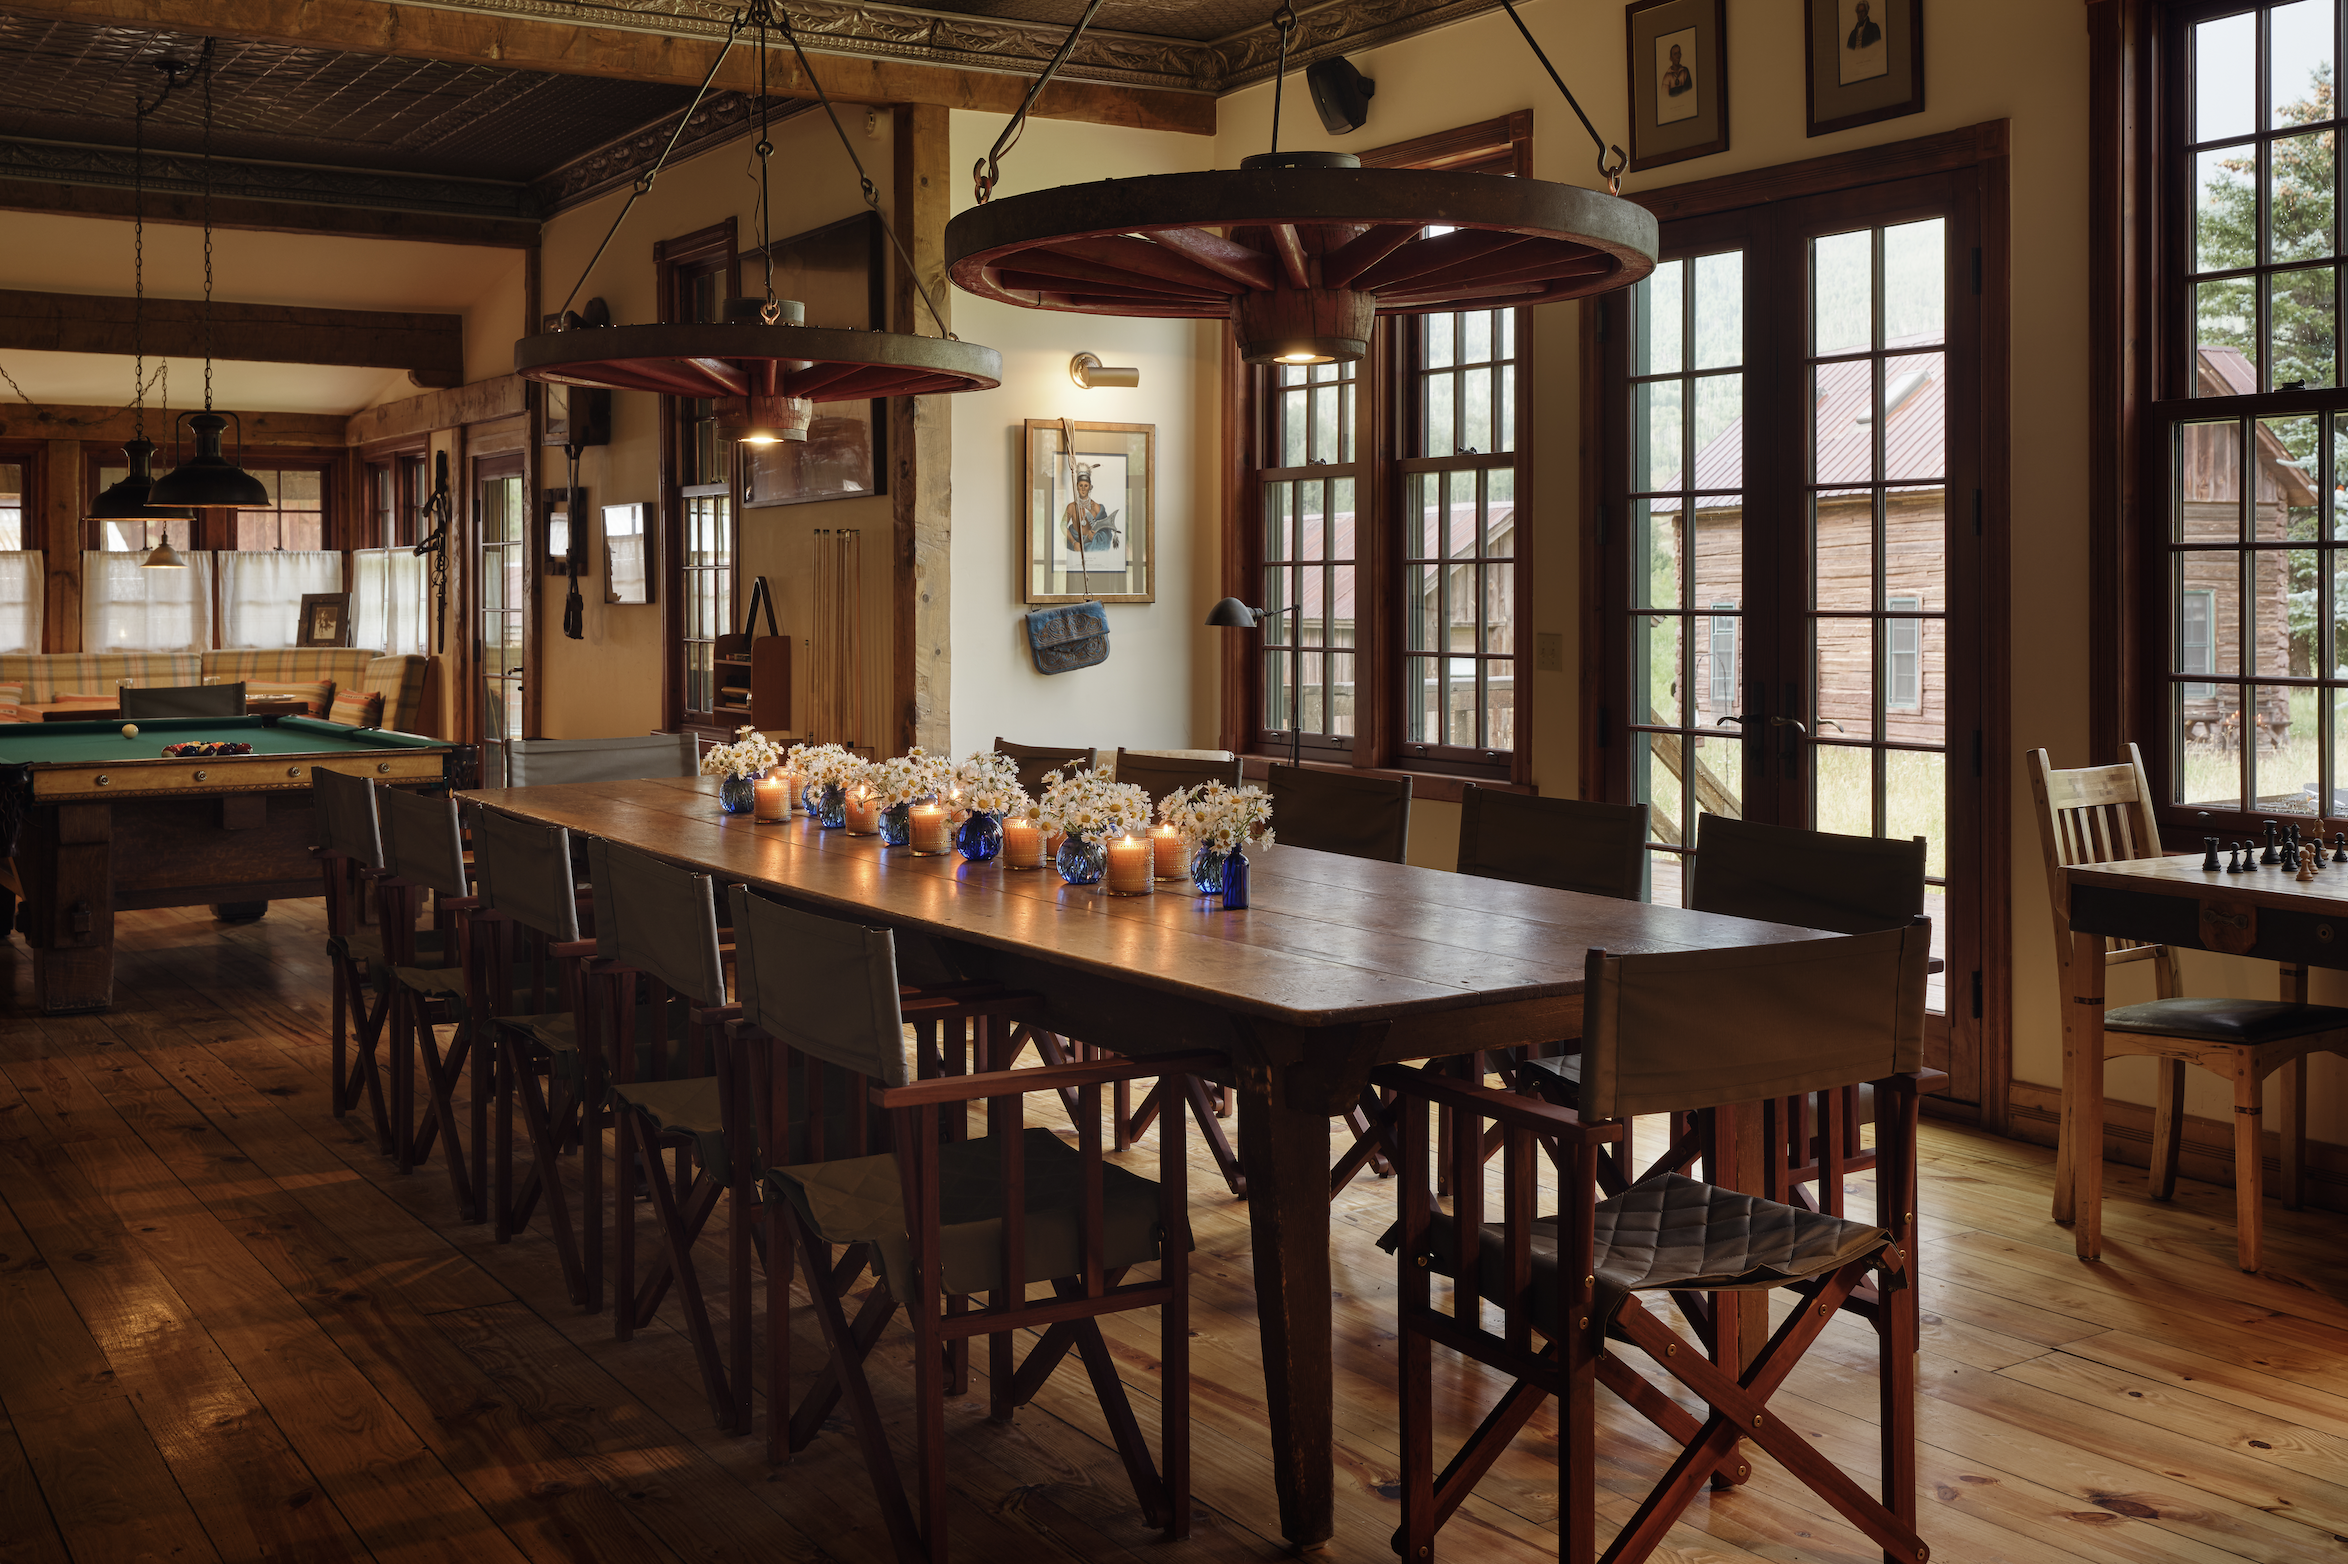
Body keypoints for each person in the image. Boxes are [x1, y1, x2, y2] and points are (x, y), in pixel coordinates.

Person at [1061, 463, 1112, 554]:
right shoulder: (1071, 507)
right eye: (1081, 486)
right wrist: (1073, 543)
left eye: (1086, 486)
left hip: (1093, 548)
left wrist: (1095, 536)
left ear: (1090, 487)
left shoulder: (1097, 507)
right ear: (1076, 487)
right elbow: (1062, 525)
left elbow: (1106, 530)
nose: (1083, 489)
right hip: (1075, 547)